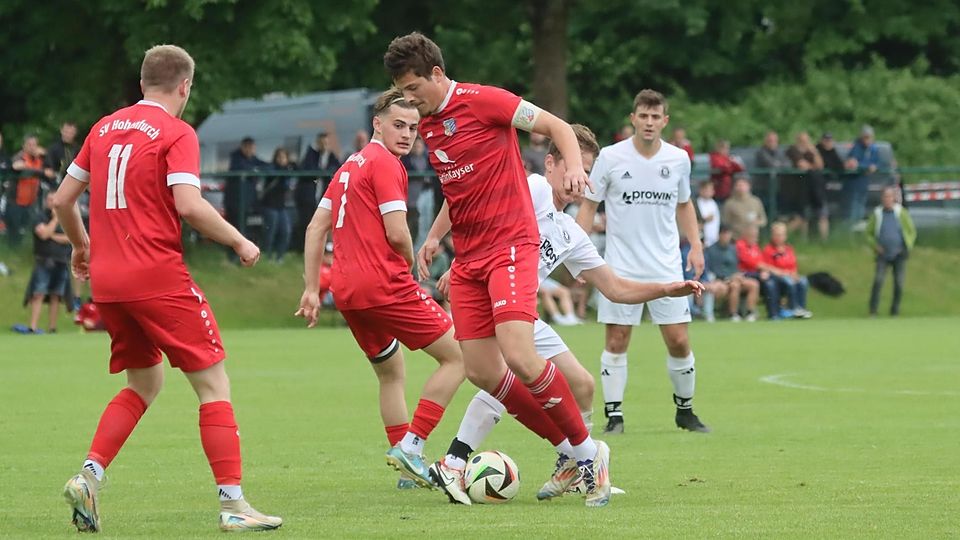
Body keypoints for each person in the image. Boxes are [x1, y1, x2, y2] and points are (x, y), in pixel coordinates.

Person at [52, 44, 281, 533]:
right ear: (185, 87)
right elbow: (190, 205)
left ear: (141, 84)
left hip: (108, 282)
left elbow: (62, 200)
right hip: (156, 275)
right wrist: (240, 240)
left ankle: (89, 477)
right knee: (213, 384)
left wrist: (81, 246)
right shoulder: (178, 132)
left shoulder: (103, 128)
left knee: (144, 383)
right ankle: (233, 504)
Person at [386, 32, 611, 507]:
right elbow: (458, 189)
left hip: (511, 245)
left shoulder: (485, 101)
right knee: (484, 372)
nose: (409, 100)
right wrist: (435, 237)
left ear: (437, 75)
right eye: (402, 93)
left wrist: (574, 167)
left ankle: (589, 455)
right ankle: (577, 451)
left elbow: (557, 126)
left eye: (413, 89)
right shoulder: (429, 125)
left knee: (521, 355)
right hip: (469, 259)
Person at [430, 124, 703, 505]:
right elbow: (482, 212)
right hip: (492, 301)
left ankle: (571, 464)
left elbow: (615, 288)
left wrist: (666, 288)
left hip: (520, 310)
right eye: (575, 168)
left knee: (582, 384)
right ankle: (463, 460)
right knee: (504, 373)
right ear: (551, 164)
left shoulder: (570, 233)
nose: (580, 180)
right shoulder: (534, 189)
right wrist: (460, 262)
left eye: (587, 172)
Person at [295, 88, 465, 490]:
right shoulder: (386, 163)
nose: (406, 135)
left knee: (391, 372)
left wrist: (311, 289)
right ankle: (412, 446)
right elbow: (397, 232)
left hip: (347, 291)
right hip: (382, 285)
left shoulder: (349, 165)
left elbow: (316, 227)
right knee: (460, 357)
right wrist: (409, 264)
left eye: (413, 128)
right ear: (377, 124)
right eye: (398, 125)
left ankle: (406, 471)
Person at [575, 89, 710, 436]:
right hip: (620, 266)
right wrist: (577, 253)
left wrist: (695, 245)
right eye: (644, 116)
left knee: (678, 340)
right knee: (617, 340)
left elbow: (684, 204)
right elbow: (589, 205)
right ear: (633, 119)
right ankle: (615, 417)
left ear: (665, 121)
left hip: (666, 265)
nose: (649, 122)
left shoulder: (678, 159)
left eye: (655, 117)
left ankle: (685, 412)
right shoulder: (610, 157)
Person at [15, 192, 73, 334]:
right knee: (38, 293)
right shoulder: (39, 217)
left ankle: (52, 328)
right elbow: (43, 234)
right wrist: (55, 220)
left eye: (54, 199)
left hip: (61, 261)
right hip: (44, 261)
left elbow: (69, 238)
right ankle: (33, 327)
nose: (52, 202)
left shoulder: (67, 217)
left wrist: (51, 234)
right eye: (49, 199)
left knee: (56, 295)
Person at [866, 186, 916, 316]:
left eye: (889, 196)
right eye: (885, 197)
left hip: (899, 253)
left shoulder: (901, 213)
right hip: (882, 253)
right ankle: (873, 310)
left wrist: (907, 246)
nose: (887, 199)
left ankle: (894, 311)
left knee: (899, 283)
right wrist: (875, 246)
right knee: (878, 280)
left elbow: (911, 231)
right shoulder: (877, 214)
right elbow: (868, 233)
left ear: (894, 198)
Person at [703, 225, 759, 322]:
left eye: (728, 234)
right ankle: (733, 314)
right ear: (719, 235)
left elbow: (736, 266)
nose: (726, 236)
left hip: (735, 278)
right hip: (721, 280)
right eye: (724, 234)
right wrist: (728, 277)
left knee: (753, 284)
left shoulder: (733, 249)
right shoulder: (711, 250)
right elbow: (713, 269)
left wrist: (738, 275)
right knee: (735, 286)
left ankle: (750, 313)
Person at [296, 132, 341, 251]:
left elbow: (336, 171)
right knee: (309, 222)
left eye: (326, 143)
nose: (324, 145)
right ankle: (305, 248)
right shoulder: (311, 155)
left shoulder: (333, 158)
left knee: (325, 224)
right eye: (322, 143)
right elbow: (306, 170)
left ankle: (325, 248)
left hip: (325, 196)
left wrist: (324, 173)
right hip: (310, 197)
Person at [8, 135, 56, 247]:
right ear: (24, 146)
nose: (32, 147)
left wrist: (46, 154)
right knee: (14, 229)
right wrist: (42, 172)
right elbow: (17, 166)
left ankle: (24, 248)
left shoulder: (39, 159)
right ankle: (12, 249)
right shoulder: (19, 157)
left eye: (34, 145)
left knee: (28, 227)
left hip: (31, 201)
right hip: (16, 200)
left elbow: (51, 172)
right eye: (29, 145)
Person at [762, 222, 813, 319]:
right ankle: (793, 308)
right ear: (772, 236)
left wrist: (794, 274)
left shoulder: (789, 249)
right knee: (789, 282)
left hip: (789, 274)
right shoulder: (768, 250)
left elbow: (793, 265)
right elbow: (768, 267)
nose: (779, 238)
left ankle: (801, 308)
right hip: (777, 277)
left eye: (781, 235)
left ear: (785, 236)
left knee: (803, 281)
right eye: (777, 235)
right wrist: (785, 273)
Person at [784, 131, 827, 238]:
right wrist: (813, 167)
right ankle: (785, 236)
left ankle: (816, 240)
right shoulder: (792, 150)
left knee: (817, 215)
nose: (805, 143)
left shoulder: (810, 151)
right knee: (801, 217)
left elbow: (820, 165)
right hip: (797, 188)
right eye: (803, 140)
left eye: (807, 140)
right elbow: (803, 165)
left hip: (813, 188)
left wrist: (814, 152)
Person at [225, 136, 268, 241]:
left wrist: (255, 169)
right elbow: (241, 168)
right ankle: (233, 249)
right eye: (248, 147)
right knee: (235, 226)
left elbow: (267, 166)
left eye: (252, 148)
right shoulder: (236, 158)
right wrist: (254, 170)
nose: (250, 150)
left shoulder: (254, 159)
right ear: (243, 147)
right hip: (235, 201)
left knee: (245, 226)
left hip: (248, 200)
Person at [734, 224, 780, 319]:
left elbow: (761, 262)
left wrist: (765, 271)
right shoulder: (740, 245)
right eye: (753, 235)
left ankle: (775, 312)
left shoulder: (755, 247)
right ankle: (753, 312)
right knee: (768, 282)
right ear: (746, 234)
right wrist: (771, 270)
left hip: (756, 274)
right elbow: (752, 263)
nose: (755, 238)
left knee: (772, 281)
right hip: (744, 274)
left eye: (756, 235)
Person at [261, 147, 295, 262]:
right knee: (271, 231)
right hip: (269, 205)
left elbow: (287, 185)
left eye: (283, 157)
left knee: (286, 231)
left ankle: (280, 257)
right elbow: (270, 174)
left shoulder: (288, 171)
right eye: (279, 157)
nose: (281, 159)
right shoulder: (272, 168)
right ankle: (267, 256)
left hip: (281, 206)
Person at [845, 125, 881, 224]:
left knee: (861, 202)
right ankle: (852, 226)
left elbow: (878, 162)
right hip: (854, 181)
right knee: (854, 204)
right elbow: (854, 163)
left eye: (869, 137)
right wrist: (867, 166)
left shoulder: (874, 149)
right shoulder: (856, 147)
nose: (867, 140)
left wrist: (874, 166)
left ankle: (858, 224)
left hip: (864, 181)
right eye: (865, 137)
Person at [696, 180, 720, 247]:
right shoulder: (696, 203)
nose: (712, 192)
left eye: (712, 189)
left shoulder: (713, 204)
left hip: (714, 240)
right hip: (701, 240)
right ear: (701, 190)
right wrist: (705, 220)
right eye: (708, 189)